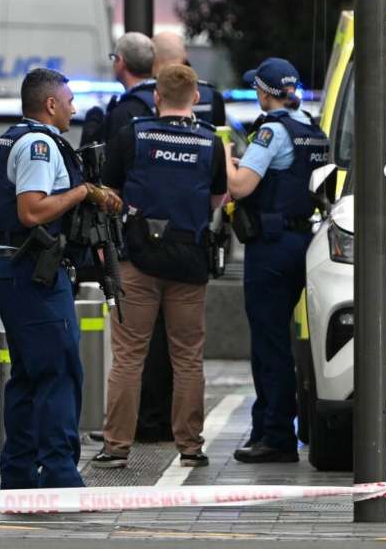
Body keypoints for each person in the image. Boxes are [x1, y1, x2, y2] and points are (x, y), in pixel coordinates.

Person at [0, 68, 122, 489]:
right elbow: (32, 211)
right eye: (68, 100)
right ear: (50, 104)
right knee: (59, 371)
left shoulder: (12, 137)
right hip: (34, 272)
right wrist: (82, 192)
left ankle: (20, 474)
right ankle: (60, 474)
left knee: (29, 375)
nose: (73, 108)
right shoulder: (40, 144)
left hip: (18, 268)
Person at [91, 64, 228, 470]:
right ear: (196, 99)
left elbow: (109, 193)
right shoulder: (209, 142)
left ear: (157, 97)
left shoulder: (133, 134)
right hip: (189, 261)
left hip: (137, 258)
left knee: (129, 355)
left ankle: (116, 446)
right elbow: (218, 199)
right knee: (187, 357)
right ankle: (190, 445)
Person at [224, 57, 330, 463]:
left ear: (265, 92)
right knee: (289, 341)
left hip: (271, 245)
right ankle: (275, 427)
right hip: (304, 238)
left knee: (270, 345)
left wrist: (224, 155)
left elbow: (241, 187)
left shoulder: (272, 130)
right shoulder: (311, 127)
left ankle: (275, 434)